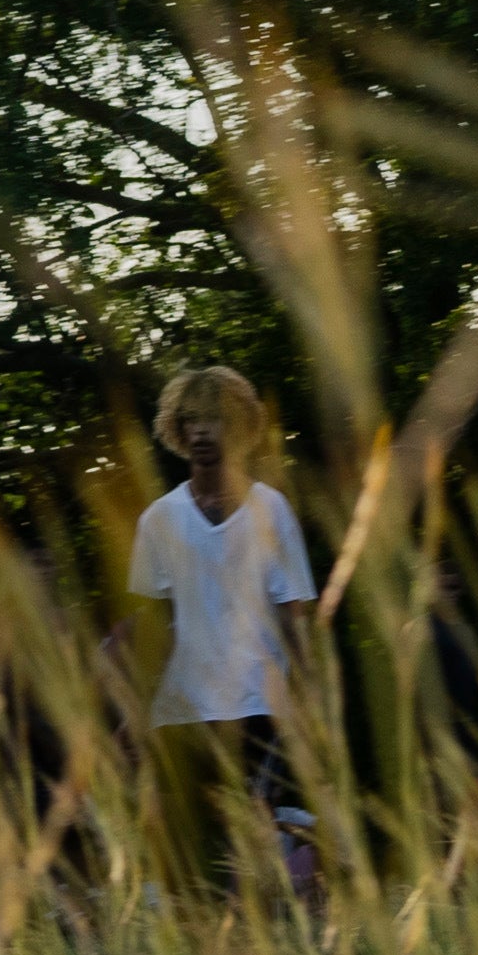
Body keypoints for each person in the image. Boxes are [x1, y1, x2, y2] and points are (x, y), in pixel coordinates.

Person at [127, 367, 318, 894]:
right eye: (193, 421)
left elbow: (293, 610)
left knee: (259, 827)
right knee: (192, 839)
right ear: (177, 430)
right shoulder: (158, 520)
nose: (205, 432)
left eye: (216, 419)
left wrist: (306, 692)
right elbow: (151, 624)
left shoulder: (271, 510)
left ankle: (273, 934)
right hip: (184, 703)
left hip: (257, 698)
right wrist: (135, 704)